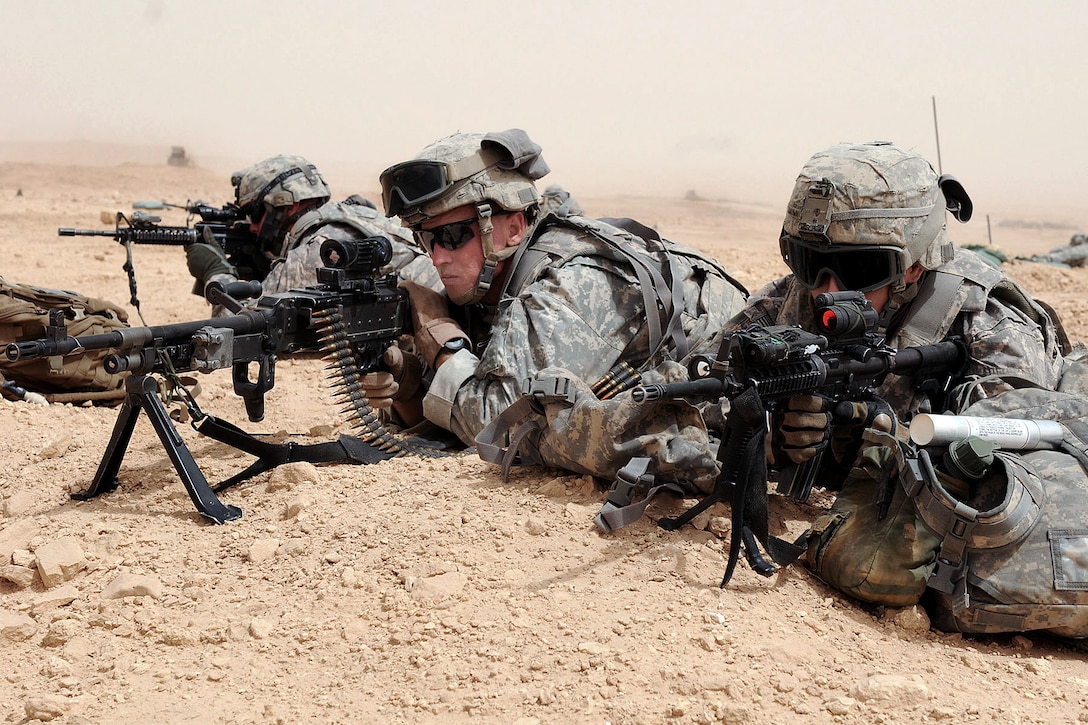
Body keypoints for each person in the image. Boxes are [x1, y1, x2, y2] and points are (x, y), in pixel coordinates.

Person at [731, 141, 1088, 636]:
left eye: (857, 269)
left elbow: (1014, 469)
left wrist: (894, 451)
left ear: (913, 267)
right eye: (809, 261)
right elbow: (685, 398)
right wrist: (757, 440)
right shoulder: (785, 306)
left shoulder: (986, 325)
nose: (826, 290)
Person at [370, 129, 749, 490]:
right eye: (426, 238)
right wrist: (408, 383)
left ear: (514, 227)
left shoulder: (569, 283)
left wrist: (443, 343)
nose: (438, 257)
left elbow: (497, 424)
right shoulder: (489, 284)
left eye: (452, 236)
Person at [186, 155, 439, 312]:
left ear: (287, 205)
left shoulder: (318, 249)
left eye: (254, 213)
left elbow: (237, 320)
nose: (252, 226)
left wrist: (216, 272)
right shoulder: (352, 215)